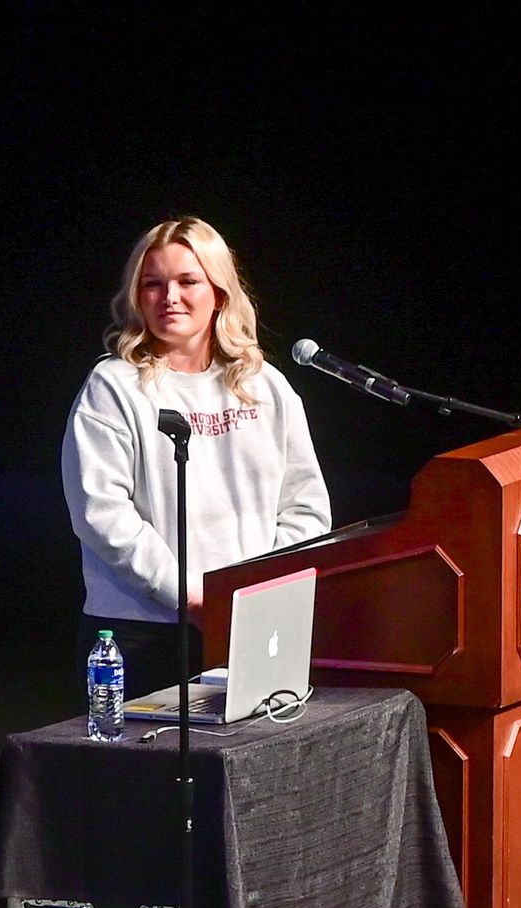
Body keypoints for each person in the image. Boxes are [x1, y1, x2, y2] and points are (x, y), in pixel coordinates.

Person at [64, 216, 331, 697]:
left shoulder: (265, 385)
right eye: (153, 284)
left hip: (250, 623)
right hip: (141, 633)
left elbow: (305, 507)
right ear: (135, 295)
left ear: (220, 291)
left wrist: (254, 595)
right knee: (143, 773)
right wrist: (191, 598)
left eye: (188, 281)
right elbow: (101, 514)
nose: (170, 297)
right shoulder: (113, 387)